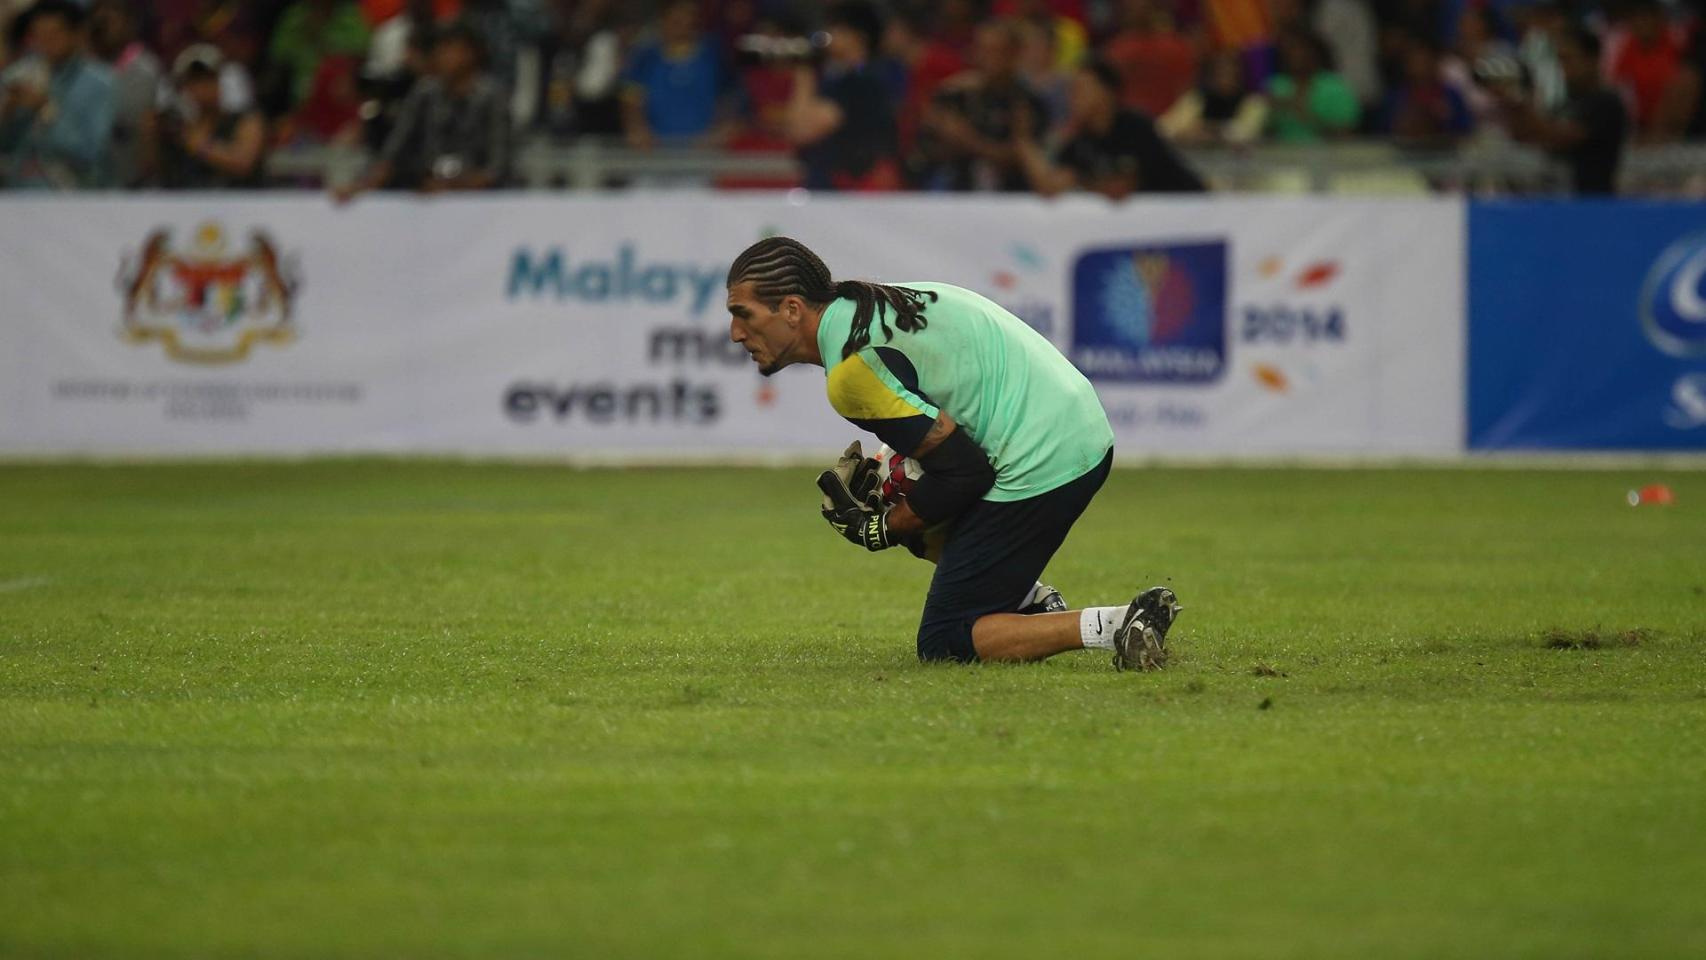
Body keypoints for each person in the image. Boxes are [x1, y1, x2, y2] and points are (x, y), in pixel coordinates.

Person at [723, 235, 1182, 668]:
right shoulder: (874, 305)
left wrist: (883, 528)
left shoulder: (850, 370)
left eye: (744, 314)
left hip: (1045, 453)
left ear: (791, 309)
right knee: (900, 492)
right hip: (1076, 423)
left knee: (944, 639)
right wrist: (900, 491)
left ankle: (1119, 623)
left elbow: (964, 474)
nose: (735, 333)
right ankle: (1030, 603)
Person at [335, 20, 509, 199]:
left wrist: (453, 186)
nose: (443, 57)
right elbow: (395, 150)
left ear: (472, 53)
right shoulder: (425, 93)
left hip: (481, 200)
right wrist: (361, 187)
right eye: (439, 50)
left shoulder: (492, 97)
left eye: (450, 49)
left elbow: (497, 167)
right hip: (428, 188)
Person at [1016, 59, 1206, 197]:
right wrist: (1023, 140)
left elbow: (1120, 188)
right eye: (1072, 91)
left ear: (1107, 92)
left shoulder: (1134, 126)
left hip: (1188, 211)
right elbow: (1051, 186)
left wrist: (1079, 180)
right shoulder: (1081, 142)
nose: (1073, 98)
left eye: (1081, 89)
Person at [920, 19, 1048, 192]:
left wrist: (969, 141)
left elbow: (1025, 159)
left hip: (1011, 197)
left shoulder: (1027, 103)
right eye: (981, 50)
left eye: (994, 51)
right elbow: (928, 151)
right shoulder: (956, 96)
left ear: (1013, 54)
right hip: (957, 195)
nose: (985, 58)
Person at [0, 1, 115, 189]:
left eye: (54, 34)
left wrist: (46, 108)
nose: (45, 43)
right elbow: (5, 147)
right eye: (39, 35)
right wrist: (7, 112)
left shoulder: (100, 83)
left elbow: (91, 151)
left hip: (77, 192)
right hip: (20, 190)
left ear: (77, 34)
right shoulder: (17, 76)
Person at [785, 0, 899, 191]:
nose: (828, 36)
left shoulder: (865, 82)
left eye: (837, 29)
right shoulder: (836, 80)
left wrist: (803, 73)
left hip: (851, 192)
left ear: (859, 36)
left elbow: (801, 130)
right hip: (829, 188)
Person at [1503, 24, 1627, 194]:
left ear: (1592, 59)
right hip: (1559, 195)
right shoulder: (1567, 102)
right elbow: (1526, 135)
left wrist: (1522, 101)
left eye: (1568, 59)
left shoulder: (1606, 102)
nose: (1563, 68)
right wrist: (1512, 100)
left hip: (1592, 199)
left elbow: (1559, 136)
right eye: (1560, 60)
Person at [620, 0, 728, 149]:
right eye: (677, 21)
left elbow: (726, 97)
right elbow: (630, 97)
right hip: (654, 147)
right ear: (663, 20)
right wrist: (637, 128)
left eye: (688, 20)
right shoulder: (645, 56)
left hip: (701, 147)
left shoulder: (711, 54)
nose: (683, 26)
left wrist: (721, 129)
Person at [156, 45, 267, 188]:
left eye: (208, 79)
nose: (201, 88)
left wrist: (202, 147)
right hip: (187, 199)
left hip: (239, 199)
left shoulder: (246, 119)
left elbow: (244, 162)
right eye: (194, 81)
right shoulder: (178, 126)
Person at [87, 0, 162, 188]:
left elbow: (148, 126)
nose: (104, 28)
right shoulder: (83, 65)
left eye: (112, 20)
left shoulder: (146, 69)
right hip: (89, 177)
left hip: (132, 177)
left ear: (129, 24)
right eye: (100, 21)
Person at [1266, 25, 1361, 142]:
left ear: (1314, 52)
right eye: (1288, 50)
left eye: (1298, 49)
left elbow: (1346, 133)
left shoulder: (1335, 86)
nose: (1293, 55)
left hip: (1327, 152)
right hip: (1280, 152)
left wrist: (1304, 113)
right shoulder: (1277, 85)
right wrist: (1268, 112)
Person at [1159, 48, 1269, 145]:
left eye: (1230, 73)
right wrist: (1188, 132)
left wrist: (1208, 129)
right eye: (1220, 73)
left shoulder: (1252, 101)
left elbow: (1246, 131)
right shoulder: (1197, 98)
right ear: (1210, 76)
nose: (1225, 79)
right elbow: (1167, 128)